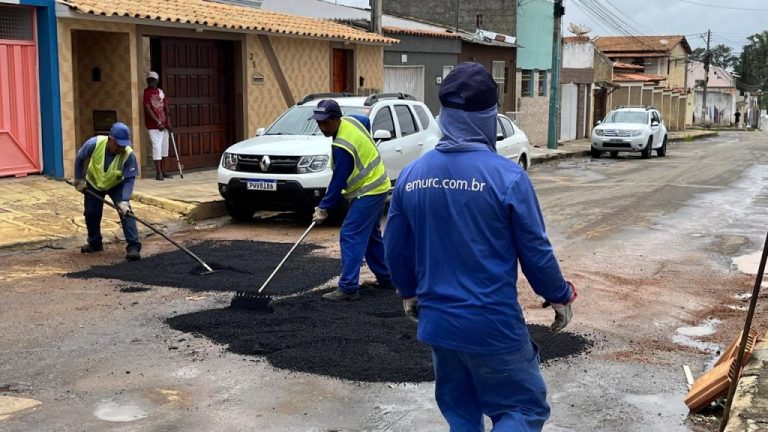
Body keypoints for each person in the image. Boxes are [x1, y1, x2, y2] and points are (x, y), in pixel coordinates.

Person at [383, 62, 577, 432]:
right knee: (521, 410)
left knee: (461, 413)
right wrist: (559, 295)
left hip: (438, 324)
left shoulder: (411, 175)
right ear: (490, 115)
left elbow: (395, 247)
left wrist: (408, 292)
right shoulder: (506, 177)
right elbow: (535, 250)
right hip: (491, 325)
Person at [311, 100, 393, 301]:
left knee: (350, 233)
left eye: (325, 123)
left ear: (336, 119)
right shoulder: (352, 122)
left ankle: (348, 287)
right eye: (318, 123)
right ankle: (387, 278)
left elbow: (338, 181)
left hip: (370, 190)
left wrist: (324, 207)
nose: (322, 127)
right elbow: (365, 121)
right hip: (377, 184)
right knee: (371, 237)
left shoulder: (342, 147)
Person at [73, 122, 141, 261]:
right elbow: (80, 159)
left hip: (117, 184)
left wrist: (124, 200)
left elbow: (129, 180)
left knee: (126, 213)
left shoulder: (128, 155)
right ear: (110, 139)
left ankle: (133, 246)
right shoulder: (94, 144)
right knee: (91, 213)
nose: (121, 148)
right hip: (94, 183)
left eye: (123, 145)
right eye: (118, 144)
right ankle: (95, 243)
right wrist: (79, 180)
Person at [143, 71, 173, 181]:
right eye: (149, 79)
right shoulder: (147, 92)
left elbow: (166, 108)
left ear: (157, 81)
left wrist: (168, 122)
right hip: (154, 126)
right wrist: (158, 122)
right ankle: (158, 172)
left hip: (164, 124)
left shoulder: (161, 92)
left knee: (164, 147)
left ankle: (164, 171)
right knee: (157, 147)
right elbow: (147, 108)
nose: (151, 81)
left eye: (153, 80)